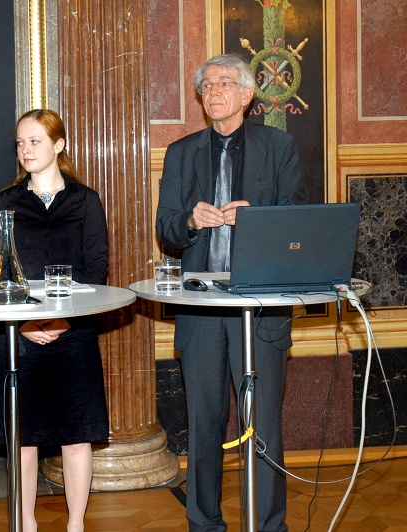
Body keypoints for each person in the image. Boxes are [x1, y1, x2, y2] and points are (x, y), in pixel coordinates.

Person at [156, 54, 305, 531]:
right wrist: (190, 221)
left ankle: (268, 525)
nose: (213, 91)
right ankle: (204, 524)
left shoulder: (279, 148)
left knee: (263, 428)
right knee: (202, 427)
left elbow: (297, 224)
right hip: (201, 309)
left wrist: (256, 220)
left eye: (224, 83)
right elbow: (166, 230)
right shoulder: (181, 153)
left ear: (246, 95)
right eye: (206, 86)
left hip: (258, 310)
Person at [0, 109, 109, 532]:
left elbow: (97, 269)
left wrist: (62, 322)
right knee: (24, 442)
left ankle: (76, 525)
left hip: (72, 337)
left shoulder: (85, 200)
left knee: (77, 438)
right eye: (20, 143)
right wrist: (23, 323)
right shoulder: (6, 202)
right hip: (18, 336)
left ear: (59, 145)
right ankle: (27, 525)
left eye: (34, 141)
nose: (25, 151)